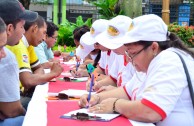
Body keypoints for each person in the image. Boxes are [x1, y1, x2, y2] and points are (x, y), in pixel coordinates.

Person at [79, 14, 194, 126]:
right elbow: (126, 91)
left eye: (133, 53)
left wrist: (115, 104)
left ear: (154, 47)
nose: (130, 59)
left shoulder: (168, 60)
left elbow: (151, 112)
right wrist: (97, 98)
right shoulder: (149, 63)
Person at [6, 15, 64, 109]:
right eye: (21, 27)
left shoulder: (29, 45)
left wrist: (36, 79)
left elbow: (38, 67)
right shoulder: (18, 45)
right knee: (43, 105)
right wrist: (52, 74)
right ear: (35, 29)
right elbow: (28, 81)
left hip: (20, 94)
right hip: (13, 99)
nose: (44, 38)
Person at [0, 0, 38, 125]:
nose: (23, 32)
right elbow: (12, 111)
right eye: (22, 27)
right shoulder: (6, 57)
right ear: (9, 28)